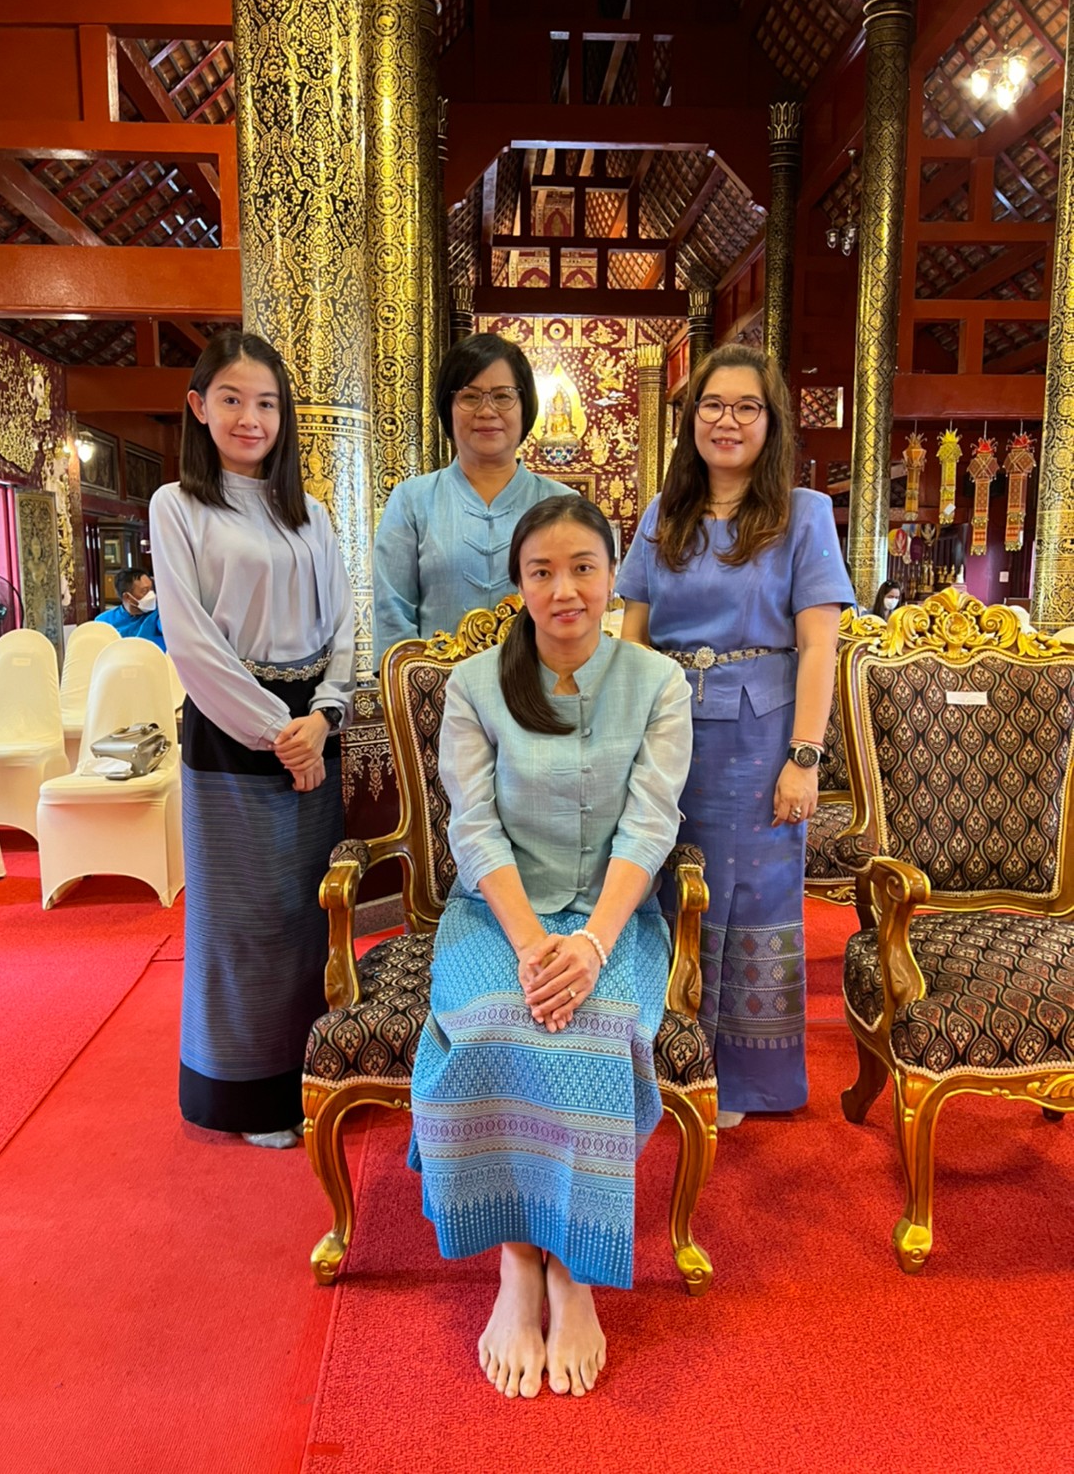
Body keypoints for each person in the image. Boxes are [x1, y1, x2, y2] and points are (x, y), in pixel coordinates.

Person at [410, 494, 691, 1400]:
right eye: (542, 572)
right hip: (497, 916)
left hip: (614, 916)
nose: (564, 589)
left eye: (583, 568)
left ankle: (573, 1269)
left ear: (612, 577)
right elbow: (474, 827)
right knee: (498, 1019)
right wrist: (534, 946)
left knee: (597, 1027)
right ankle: (516, 1260)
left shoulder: (658, 684)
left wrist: (594, 944)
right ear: (519, 585)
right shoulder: (476, 686)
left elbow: (650, 827)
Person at [618, 343, 852, 1129]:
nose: (727, 420)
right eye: (712, 405)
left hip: (760, 739)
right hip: (666, 727)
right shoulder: (664, 514)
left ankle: (742, 1079)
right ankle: (662, 1058)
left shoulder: (803, 515)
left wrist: (804, 758)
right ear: (691, 419)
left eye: (746, 407)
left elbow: (819, 646)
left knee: (747, 899)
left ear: (770, 421)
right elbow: (633, 638)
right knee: (659, 884)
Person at [149, 330, 355, 1150]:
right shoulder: (178, 506)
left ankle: (313, 1075)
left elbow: (344, 625)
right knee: (243, 921)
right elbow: (191, 640)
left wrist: (325, 715)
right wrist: (276, 731)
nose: (250, 418)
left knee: (309, 914)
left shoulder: (311, 513)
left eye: (266, 403)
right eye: (232, 399)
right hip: (234, 725)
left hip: (314, 723)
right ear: (199, 407)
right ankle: (246, 1096)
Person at [372, 332, 572, 657]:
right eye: (470, 396)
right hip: (437, 686)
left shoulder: (563, 505)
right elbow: (392, 613)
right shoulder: (411, 501)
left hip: (541, 684)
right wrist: (413, 681)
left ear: (526, 407)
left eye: (503, 396)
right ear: (448, 407)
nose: (487, 410)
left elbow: (576, 607)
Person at [95, 567, 166, 650]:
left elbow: (170, 629)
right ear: (127, 597)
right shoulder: (103, 622)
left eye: (151, 589)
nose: (152, 595)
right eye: (145, 591)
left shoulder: (159, 614)